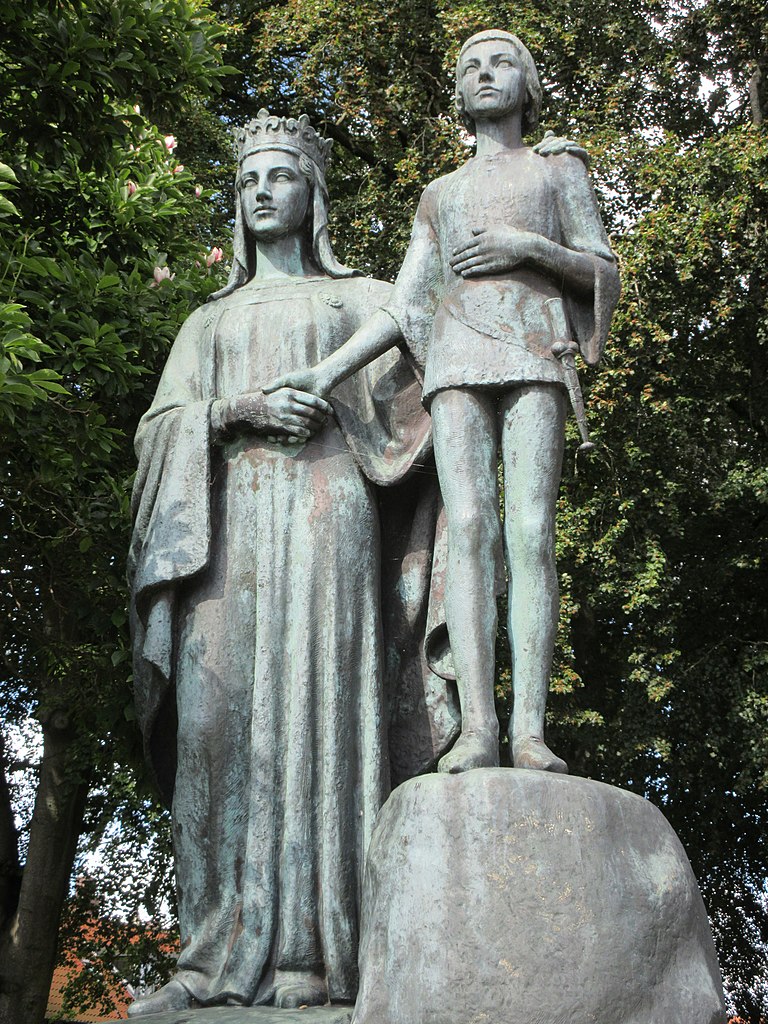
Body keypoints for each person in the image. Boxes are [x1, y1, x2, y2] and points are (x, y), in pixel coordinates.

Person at [127, 111, 458, 1015]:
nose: (262, 191)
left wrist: (346, 409)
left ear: (314, 194)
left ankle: (320, 955)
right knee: (212, 726)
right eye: (248, 180)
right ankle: (206, 960)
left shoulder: (361, 300)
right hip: (223, 534)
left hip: (328, 524)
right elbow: (157, 433)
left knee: (324, 711)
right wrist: (232, 412)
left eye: (281, 176)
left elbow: (432, 397)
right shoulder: (210, 318)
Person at [266, 32, 621, 776]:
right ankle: (480, 730)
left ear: (528, 86)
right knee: (469, 528)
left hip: (534, 351)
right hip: (458, 358)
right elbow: (405, 305)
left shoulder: (559, 167)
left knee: (530, 530)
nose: (485, 75)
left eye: (501, 64)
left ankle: (530, 730)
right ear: (457, 93)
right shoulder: (442, 194)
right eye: (470, 67)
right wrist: (324, 373)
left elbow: (601, 269)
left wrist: (532, 249)